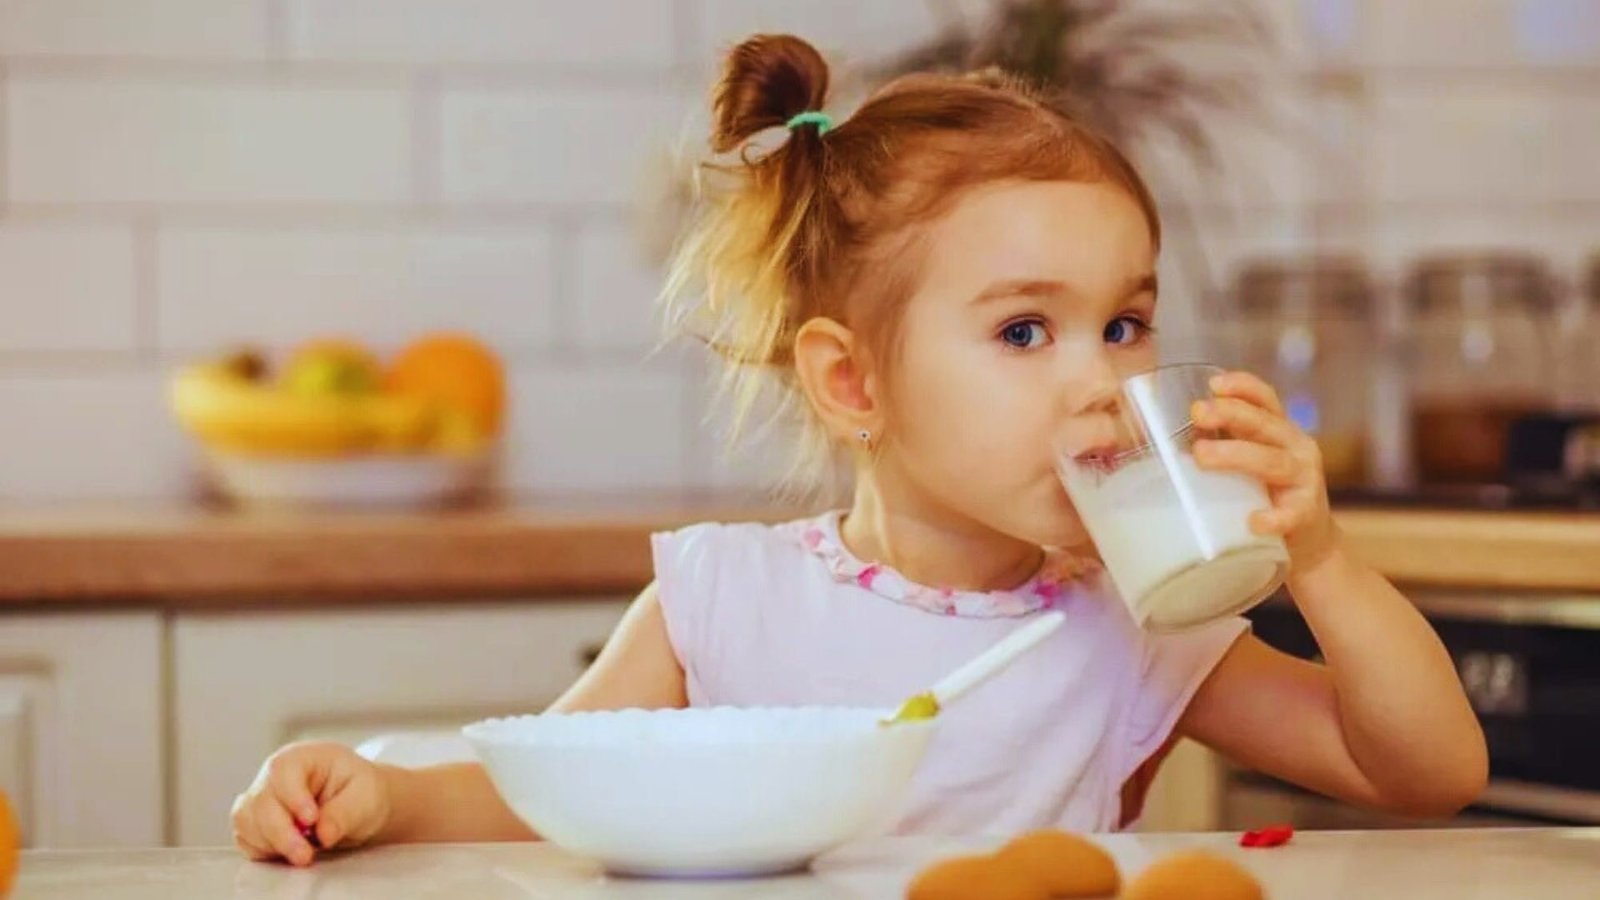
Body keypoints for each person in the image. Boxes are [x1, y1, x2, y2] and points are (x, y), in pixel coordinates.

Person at [230, 34, 1486, 867]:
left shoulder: (1140, 620)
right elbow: (541, 789)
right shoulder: (721, 599)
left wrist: (1315, 559)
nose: (1101, 380)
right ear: (851, 380)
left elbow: (1424, 771)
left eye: (1124, 324)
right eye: (1024, 329)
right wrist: (385, 796)